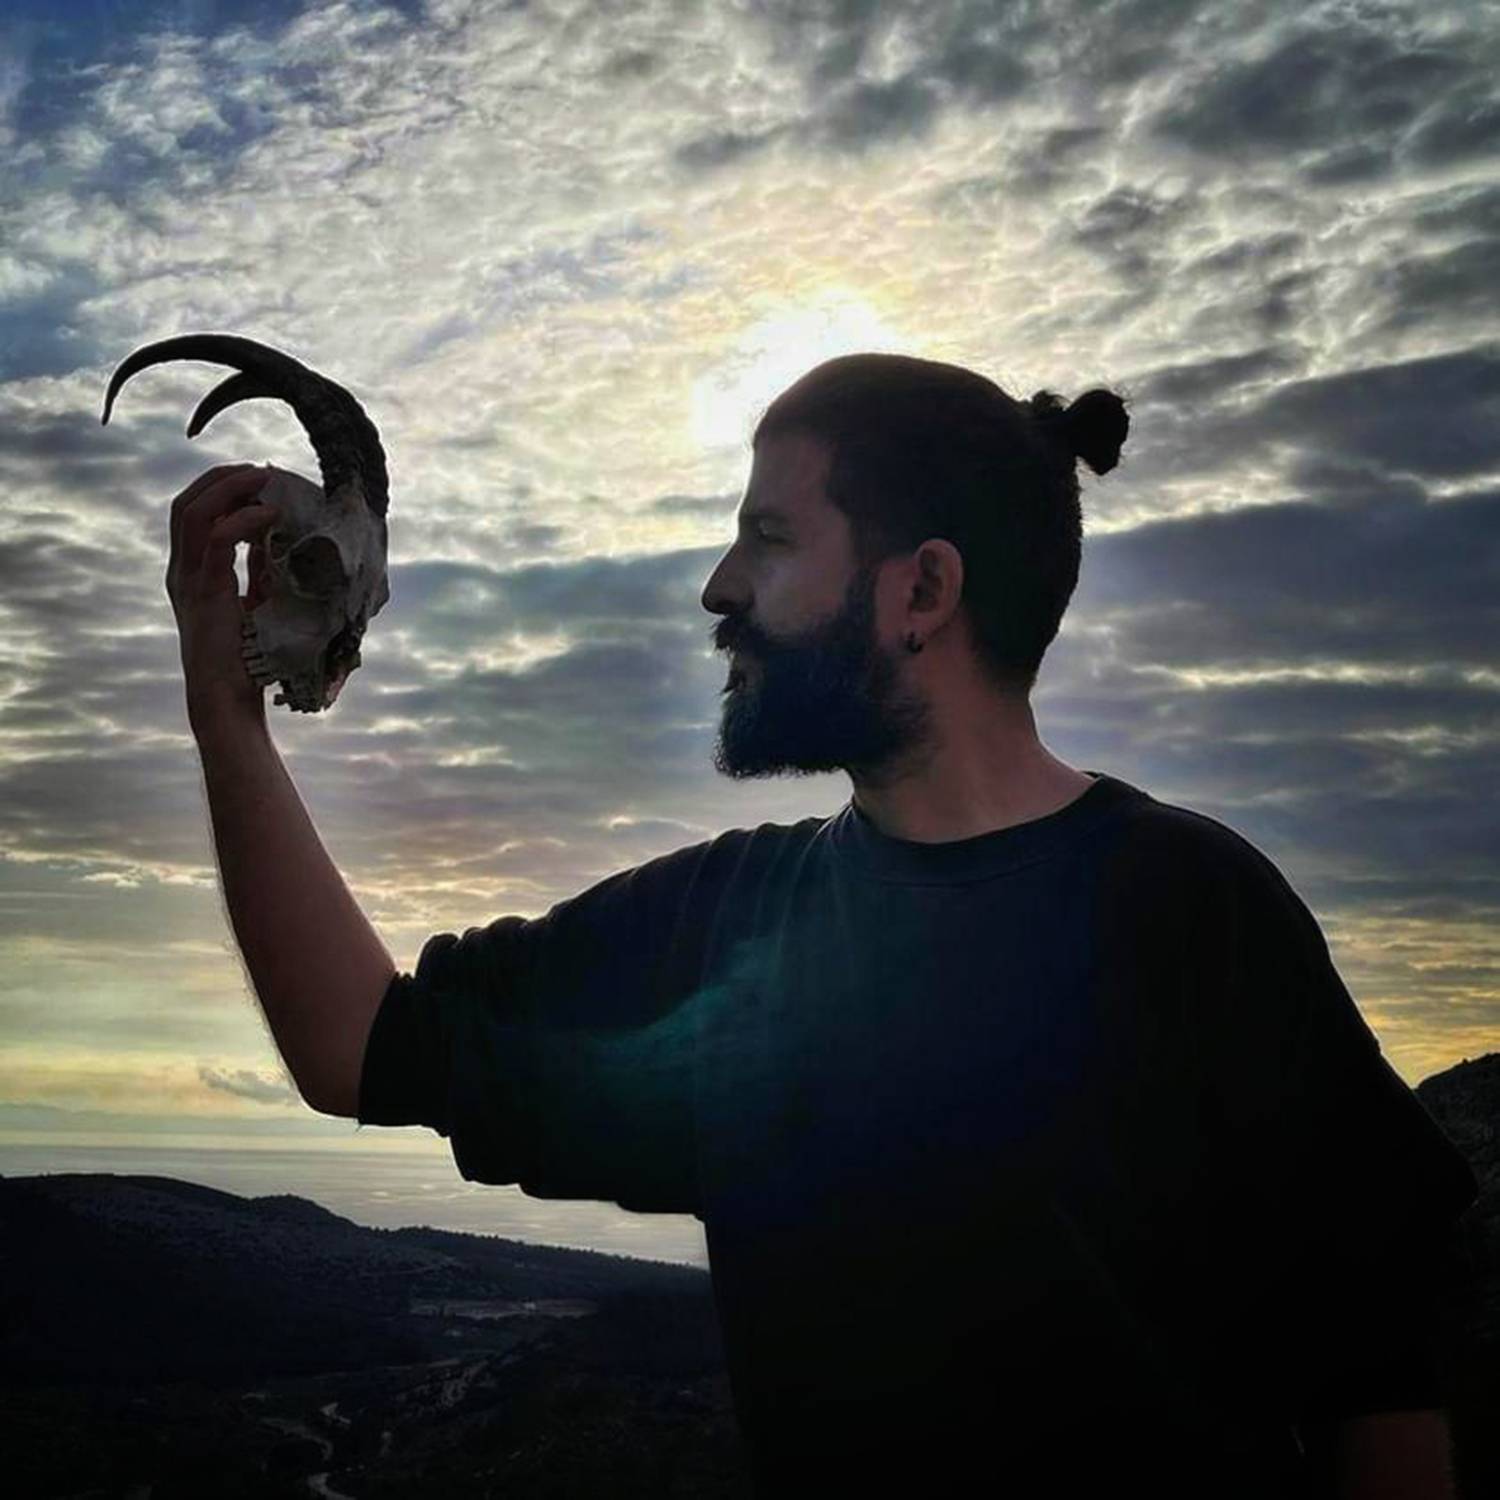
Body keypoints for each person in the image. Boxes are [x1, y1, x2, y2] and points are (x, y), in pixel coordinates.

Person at [171, 354, 1478, 1497]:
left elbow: (1379, 1371)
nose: (718, 586)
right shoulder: (720, 927)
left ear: (923, 591)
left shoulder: (1194, 910)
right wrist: (227, 710)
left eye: (770, 538)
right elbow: (363, 1046)